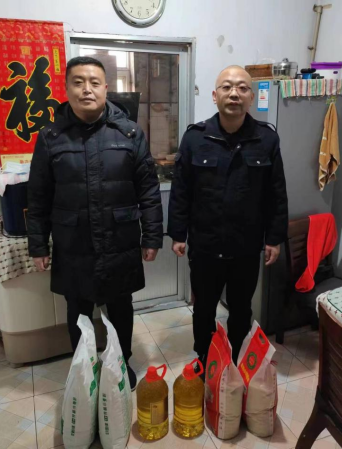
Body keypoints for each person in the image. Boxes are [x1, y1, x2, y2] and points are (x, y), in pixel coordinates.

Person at [27, 56, 163, 389]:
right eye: (78, 82)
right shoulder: (51, 137)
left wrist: (152, 236)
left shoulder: (129, 133)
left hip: (120, 240)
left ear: (105, 88)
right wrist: (37, 244)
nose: (86, 89)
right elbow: (38, 196)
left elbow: (148, 189)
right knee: (78, 310)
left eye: (94, 82)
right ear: (66, 88)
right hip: (74, 243)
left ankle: (121, 364)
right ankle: (84, 370)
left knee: (121, 308)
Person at [168, 65, 288, 366]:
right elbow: (181, 190)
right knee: (204, 309)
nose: (234, 93)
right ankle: (205, 359)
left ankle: (235, 362)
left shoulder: (266, 140)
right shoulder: (195, 138)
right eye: (227, 87)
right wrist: (178, 233)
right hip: (205, 245)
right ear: (215, 95)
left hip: (245, 247)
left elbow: (276, 193)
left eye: (242, 88)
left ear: (251, 97)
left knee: (241, 309)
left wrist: (274, 238)